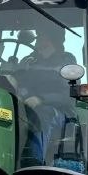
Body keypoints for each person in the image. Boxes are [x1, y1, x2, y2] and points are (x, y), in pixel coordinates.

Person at [10, 24, 79, 165]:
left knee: (41, 113)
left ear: (54, 40)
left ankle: (34, 163)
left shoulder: (67, 62)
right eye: (38, 37)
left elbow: (68, 95)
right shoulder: (29, 61)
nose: (38, 41)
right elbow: (21, 84)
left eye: (42, 37)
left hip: (61, 113)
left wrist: (41, 99)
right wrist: (19, 91)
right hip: (28, 107)